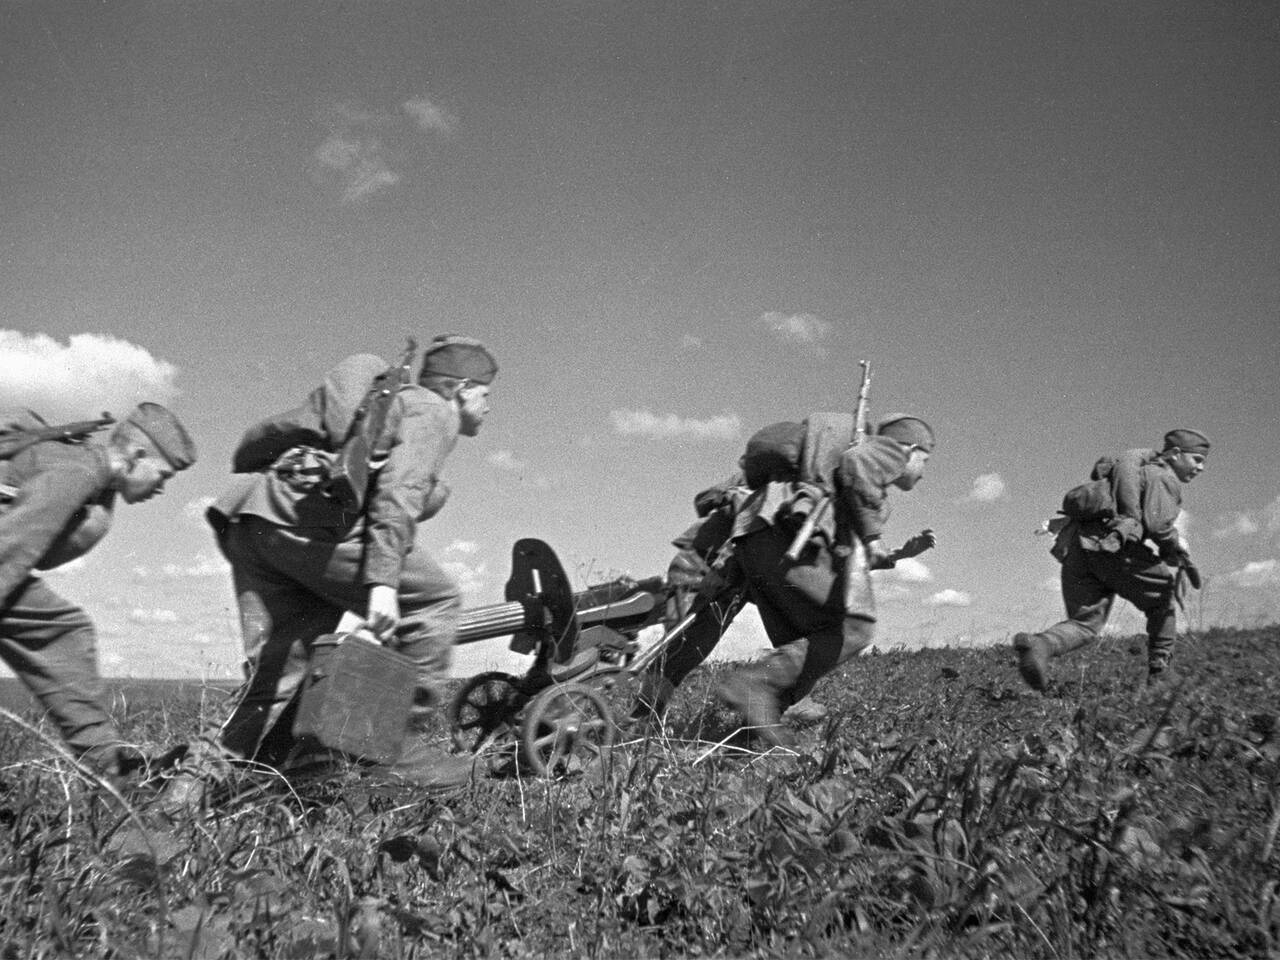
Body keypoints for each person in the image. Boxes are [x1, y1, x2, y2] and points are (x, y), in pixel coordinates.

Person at [204, 334, 496, 787]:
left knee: (280, 672)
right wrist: (382, 586)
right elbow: (398, 493)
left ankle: (196, 789)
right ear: (459, 389)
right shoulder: (433, 411)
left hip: (256, 517)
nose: (488, 406)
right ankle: (387, 746)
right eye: (485, 394)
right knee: (436, 601)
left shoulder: (394, 403)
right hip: (310, 520)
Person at [634, 413, 937, 747]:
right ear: (909, 448)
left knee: (694, 642)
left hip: (741, 545)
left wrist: (893, 555)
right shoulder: (881, 456)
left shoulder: (822, 478)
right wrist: (874, 538)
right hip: (745, 549)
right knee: (850, 628)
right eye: (924, 459)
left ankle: (651, 724)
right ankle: (751, 695)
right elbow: (856, 471)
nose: (923, 473)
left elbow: (838, 559)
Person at [0, 404, 196, 777]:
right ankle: (110, 780)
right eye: (163, 474)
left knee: (64, 631)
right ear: (137, 455)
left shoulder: (93, 479)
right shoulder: (79, 472)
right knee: (63, 632)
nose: (162, 487)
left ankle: (109, 773)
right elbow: (11, 548)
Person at [1013, 428, 1210, 691]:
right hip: (1116, 549)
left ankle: (1041, 645)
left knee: (1085, 623)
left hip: (1081, 547)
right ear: (1175, 454)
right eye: (1197, 459)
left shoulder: (1129, 472)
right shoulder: (1162, 476)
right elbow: (1157, 524)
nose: (1201, 467)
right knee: (1162, 599)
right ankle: (1160, 673)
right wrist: (1176, 542)